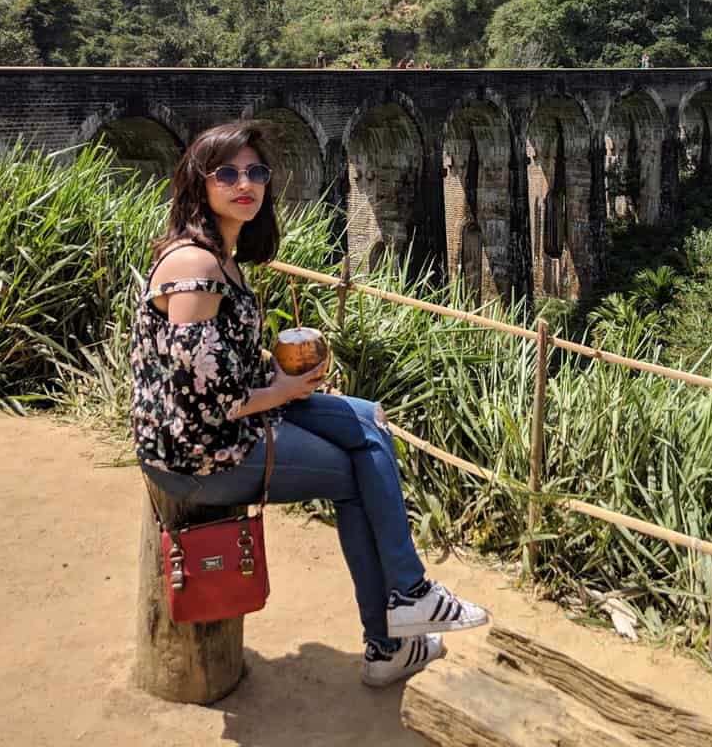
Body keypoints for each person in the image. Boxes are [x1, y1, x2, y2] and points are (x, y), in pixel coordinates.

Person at [130, 122, 487, 688]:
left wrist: (278, 376)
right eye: (227, 173)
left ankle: (403, 607)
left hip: (233, 420)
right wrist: (282, 392)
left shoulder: (222, 256)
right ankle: (397, 621)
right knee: (350, 473)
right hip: (196, 456)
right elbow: (198, 398)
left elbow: (219, 369)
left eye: (256, 172)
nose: (244, 183)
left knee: (368, 420)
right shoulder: (194, 266)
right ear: (198, 183)